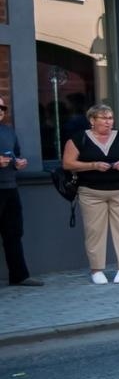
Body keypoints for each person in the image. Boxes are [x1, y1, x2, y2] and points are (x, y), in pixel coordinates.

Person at [62, 103, 119, 283]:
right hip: (91, 192)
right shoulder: (78, 139)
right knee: (94, 231)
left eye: (110, 118)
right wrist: (93, 165)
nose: (108, 122)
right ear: (92, 120)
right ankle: (97, 270)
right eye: (103, 118)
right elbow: (67, 163)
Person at [0, 95, 43, 286]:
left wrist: (19, 162)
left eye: (3, 108)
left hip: (10, 187)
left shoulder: (8, 132)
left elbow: (15, 154)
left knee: (14, 233)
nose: (0, 111)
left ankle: (19, 275)